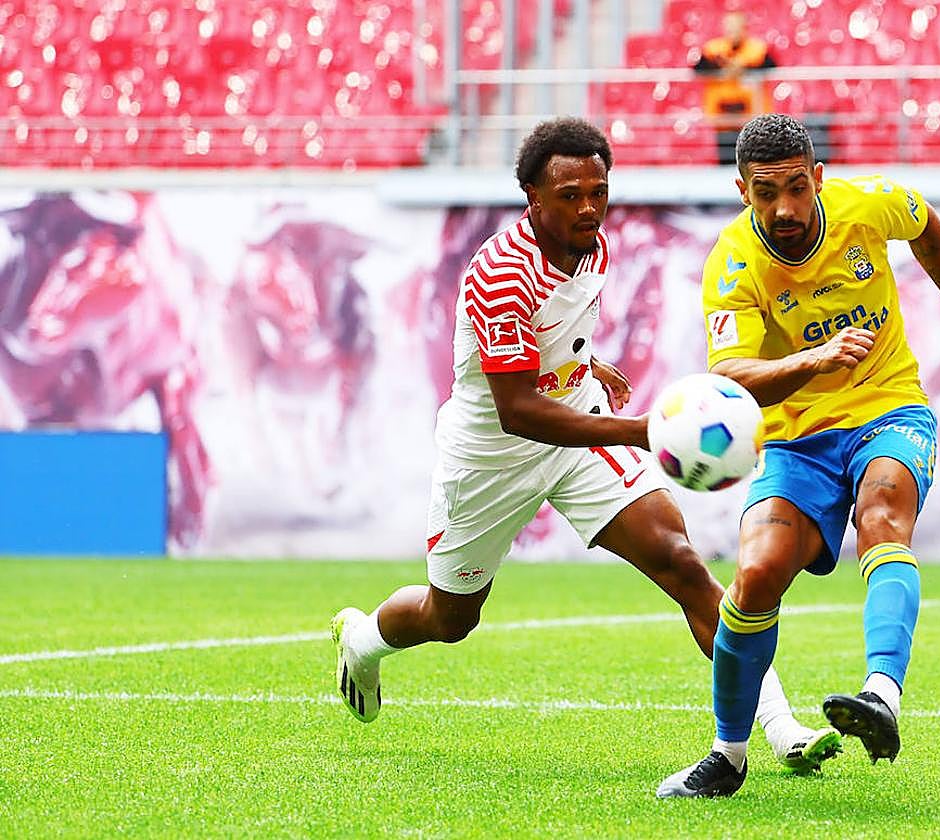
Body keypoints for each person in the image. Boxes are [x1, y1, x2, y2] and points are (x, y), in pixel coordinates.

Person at [330, 116, 842, 774]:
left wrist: (584, 363)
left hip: (576, 426)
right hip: (492, 455)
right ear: (532, 199)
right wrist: (646, 431)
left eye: (597, 191)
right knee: (450, 618)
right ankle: (364, 640)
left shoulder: (590, 246)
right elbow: (517, 411)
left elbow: (555, 330)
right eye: (569, 195)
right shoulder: (500, 275)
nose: (588, 207)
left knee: (680, 561)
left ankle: (778, 730)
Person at [657, 113, 940, 798]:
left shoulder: (868, 204)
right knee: (755, 577)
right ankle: (727, 756)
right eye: (766, 192)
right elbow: (730, 374)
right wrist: (813, 358)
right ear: (743, 192)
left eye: (796, 187)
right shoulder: (733, 262)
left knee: (882, 513)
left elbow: (928, 226)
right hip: (796, 441)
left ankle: (881, 694)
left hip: (889, 408)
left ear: (818, 178)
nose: (784, 207)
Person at [693, 12, 776, 166]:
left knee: (751, 160)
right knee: (726, 159)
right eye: (729, 28)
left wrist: (743, 67)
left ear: (744, 29)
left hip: (750, 114)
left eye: (736, 28)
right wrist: (723, 68)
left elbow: (771, 66)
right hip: (723, 115)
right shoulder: (713, 48)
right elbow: (698, 68)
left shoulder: (757, 48)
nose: (732, 32)